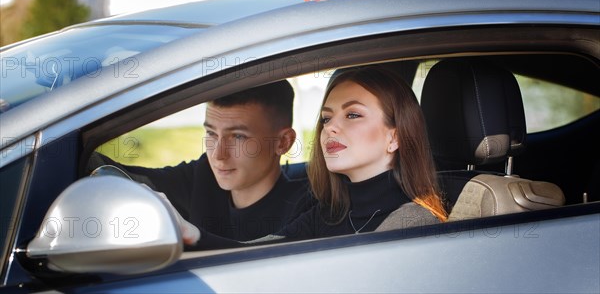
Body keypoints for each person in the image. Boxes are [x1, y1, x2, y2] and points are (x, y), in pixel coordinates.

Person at [188, 66, 446, 249]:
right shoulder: (327, 215)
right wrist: (189, 235)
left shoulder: (415, 223)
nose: (330, 127)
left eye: (353, 115)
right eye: (326, 118)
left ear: (395, 137)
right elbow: (254, 254)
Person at [88, 80, 311, 242]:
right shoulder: (203, 175)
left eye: (238, 137)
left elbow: (262, 257)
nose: (218, 154)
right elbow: (121, 175)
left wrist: (190, 234)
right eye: (212, 134)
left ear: (282, 142)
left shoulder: (306, 205)